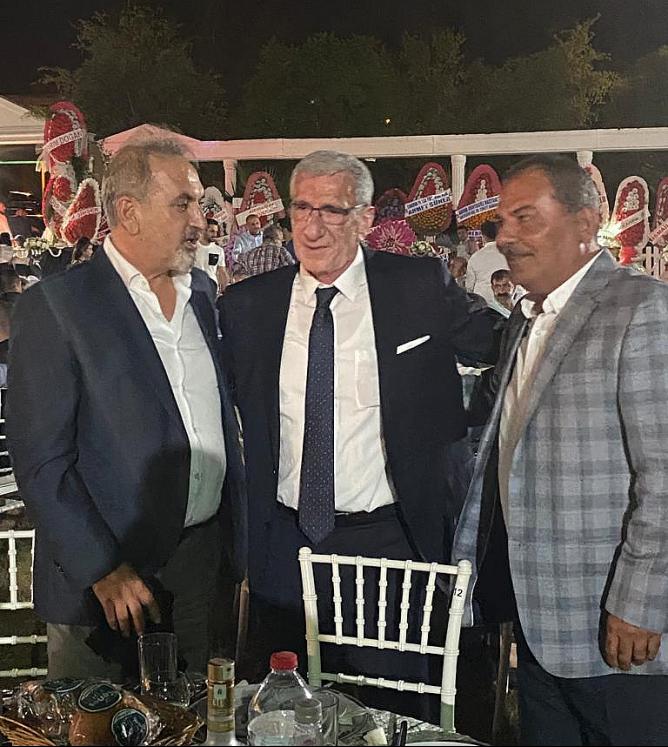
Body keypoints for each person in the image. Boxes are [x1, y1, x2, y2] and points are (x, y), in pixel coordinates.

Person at [220, 149, 500, 703]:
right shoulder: (250, 306)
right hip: (285, 542)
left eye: (332, 210)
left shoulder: (416, 287)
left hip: (390, 543)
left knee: (389, 707)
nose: (312, 227)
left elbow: (502, 347)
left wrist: (468, 424)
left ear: (366, 218)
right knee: (285, 707)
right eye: (302, 208)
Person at [7, 139, 246, 678]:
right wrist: (101, 567)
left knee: (189, 714)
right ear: (129, 212)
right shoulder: (58, 307)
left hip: (197, 564)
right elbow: (41, 460)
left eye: (198, 203)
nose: (200, 219)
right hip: (107, 584)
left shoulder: (201, 293)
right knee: (101, 718)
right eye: (182, 204)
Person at [452, 154, 668, 746]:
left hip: (617, 627)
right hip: (539, 618)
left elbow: (664, 475)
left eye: (525, 217)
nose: (505, 236)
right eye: (500, 221)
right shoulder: (526, 319)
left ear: (585, 223)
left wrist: (641, 601)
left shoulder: (641, 309)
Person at [464, 219, 508, 304]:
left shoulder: (475, 258)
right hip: (507, 301)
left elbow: (469, 287)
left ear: (483, 236)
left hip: (484, 301)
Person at [195, 218, 229, 294]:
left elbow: (222, 272)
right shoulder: (192, 247)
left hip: (212, 291)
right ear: (203, 230)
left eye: (216, 232)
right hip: (195, 290)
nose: (215, 235)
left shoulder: (219, 250)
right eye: (212, 231)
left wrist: (225, 290)